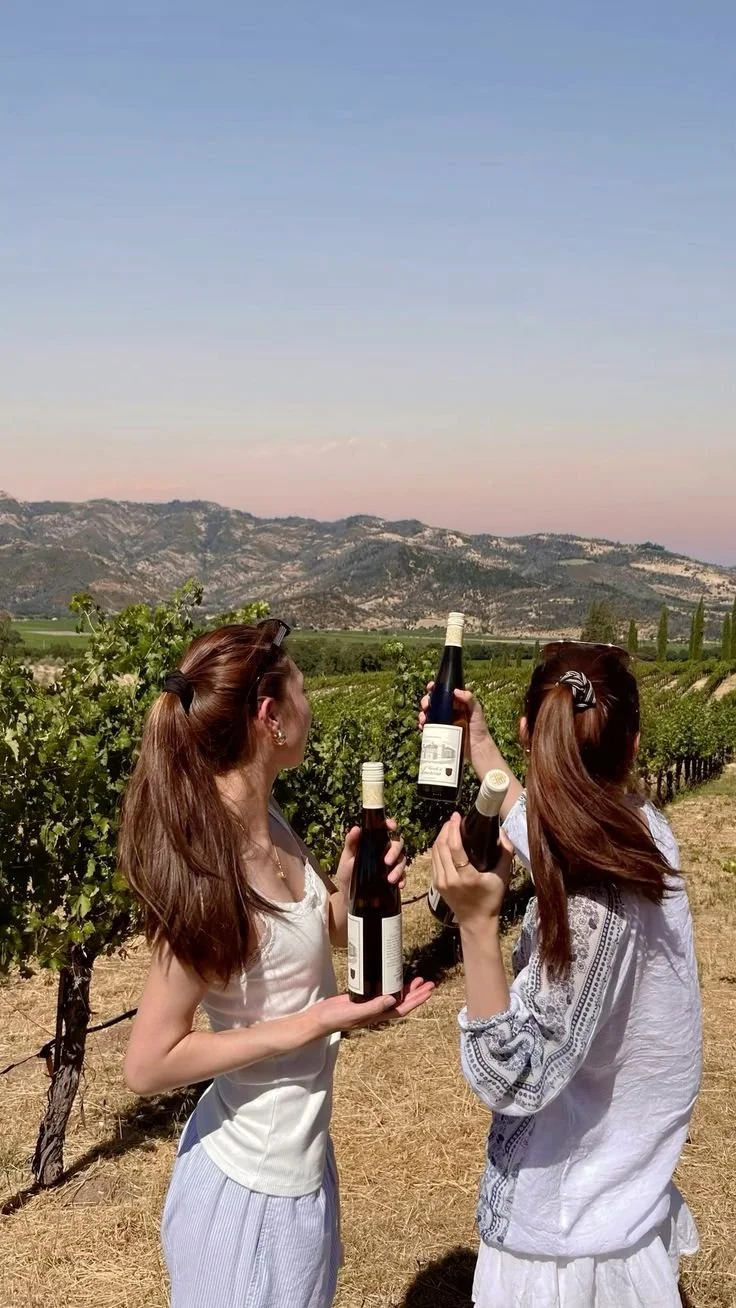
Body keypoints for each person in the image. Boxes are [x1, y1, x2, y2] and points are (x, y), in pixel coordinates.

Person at [119, 619, 433, 1308]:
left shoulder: (275, 826)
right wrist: (310, 1023)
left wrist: (348, 893)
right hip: (246, 1193)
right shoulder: (213, 870)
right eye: (302, 690)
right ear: (271, 718)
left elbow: (297, 945)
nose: (309, 706)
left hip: (301, 1166)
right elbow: (146, 1063)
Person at [426, 642, 702, 1308]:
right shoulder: (641, 834)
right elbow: (557, 822)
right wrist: (482, 749)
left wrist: (476, 925)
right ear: (633, 745)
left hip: (563, 1246)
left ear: (532, 733)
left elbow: (515, 1076)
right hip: (615, 1202)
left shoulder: (594, 894)